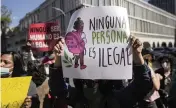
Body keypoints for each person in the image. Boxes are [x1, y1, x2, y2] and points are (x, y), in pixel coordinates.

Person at [54, 36, 154, 108]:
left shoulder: (117, 98)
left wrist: (137, 55)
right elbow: (58, 88)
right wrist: (58, 57)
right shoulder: (78, 97)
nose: (91, 78)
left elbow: (143, 85)